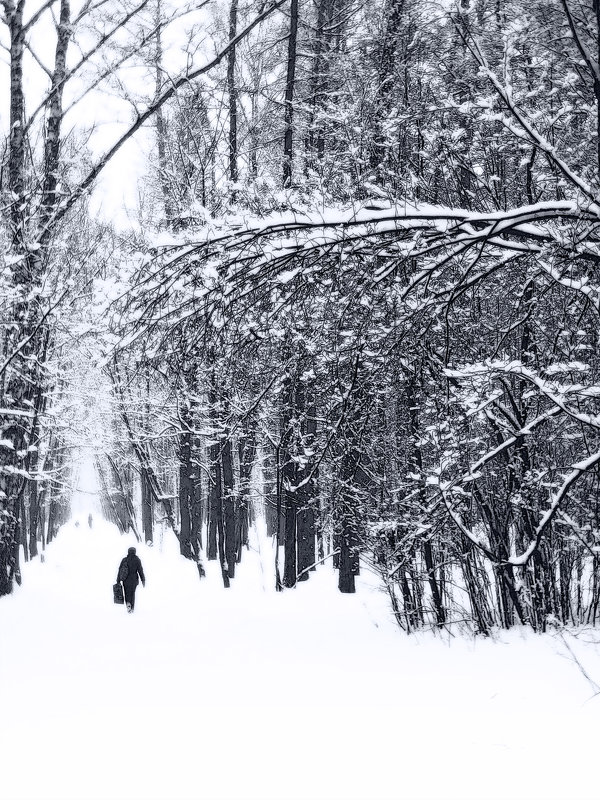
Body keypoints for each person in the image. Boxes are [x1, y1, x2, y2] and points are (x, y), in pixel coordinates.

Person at [116, 546, 146, 613]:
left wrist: (118, 580)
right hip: (134, 580)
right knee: (132, 593)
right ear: (134, 552)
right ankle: (132, 607)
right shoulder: (137, 559)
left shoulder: (124, 560)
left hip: (125, 580)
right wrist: (143, 580)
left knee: (126, 593)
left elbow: (120, 570)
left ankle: (128, 604)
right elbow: (140, 570)